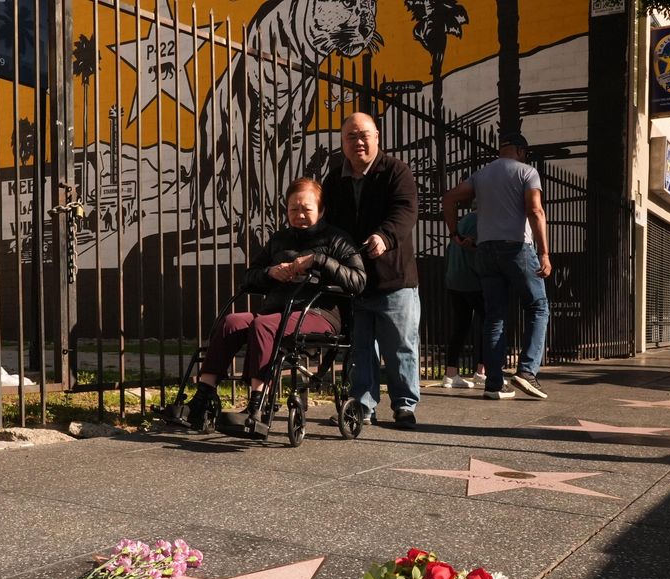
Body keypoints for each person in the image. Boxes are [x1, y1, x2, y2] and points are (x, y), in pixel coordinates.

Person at [183, 178, 367, 429]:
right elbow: (249, 277)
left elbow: (358, 281)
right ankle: (202, 399)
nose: (299, 215)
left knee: (264, 325)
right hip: (277, 310)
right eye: (293, 209)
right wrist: (270, 272)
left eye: (306, 209)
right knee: (231, 322)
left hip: (318, 313)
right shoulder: (279, 239)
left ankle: (257, 407)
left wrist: (319, 260)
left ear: (322, 210)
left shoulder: (337, 240)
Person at [322, 112, 421, 429]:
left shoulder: (396, 171)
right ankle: (363, 406)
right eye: (350, 136)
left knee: (401, 346)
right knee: (360, 348)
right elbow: (328, 223)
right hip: (354, 280)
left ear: (377, 137)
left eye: (364, 134)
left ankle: (404, 405)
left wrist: (384, 237)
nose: (358, 142)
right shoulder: (334, 180)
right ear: (342, 142)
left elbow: (405, 210)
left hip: (394, 277)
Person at [442, 131, 550, 400]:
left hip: (486, 252)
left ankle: (493, 383)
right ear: (521, 151)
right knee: (538, 307)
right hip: (517, 248)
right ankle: (527, 371)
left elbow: (449, 198)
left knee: (494, 317)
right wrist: (545, 253)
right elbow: (535, 210)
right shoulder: (527, 172)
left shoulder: (481, 175)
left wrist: (455, 234)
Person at [441, 212, 486, 388]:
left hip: (454, 279)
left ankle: (450, 374)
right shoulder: (483, 221)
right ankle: (482, 371)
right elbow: (477, 250)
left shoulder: (462, 222)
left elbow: (449, 250)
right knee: (490, 323)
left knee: (461, 326)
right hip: (474, 280)